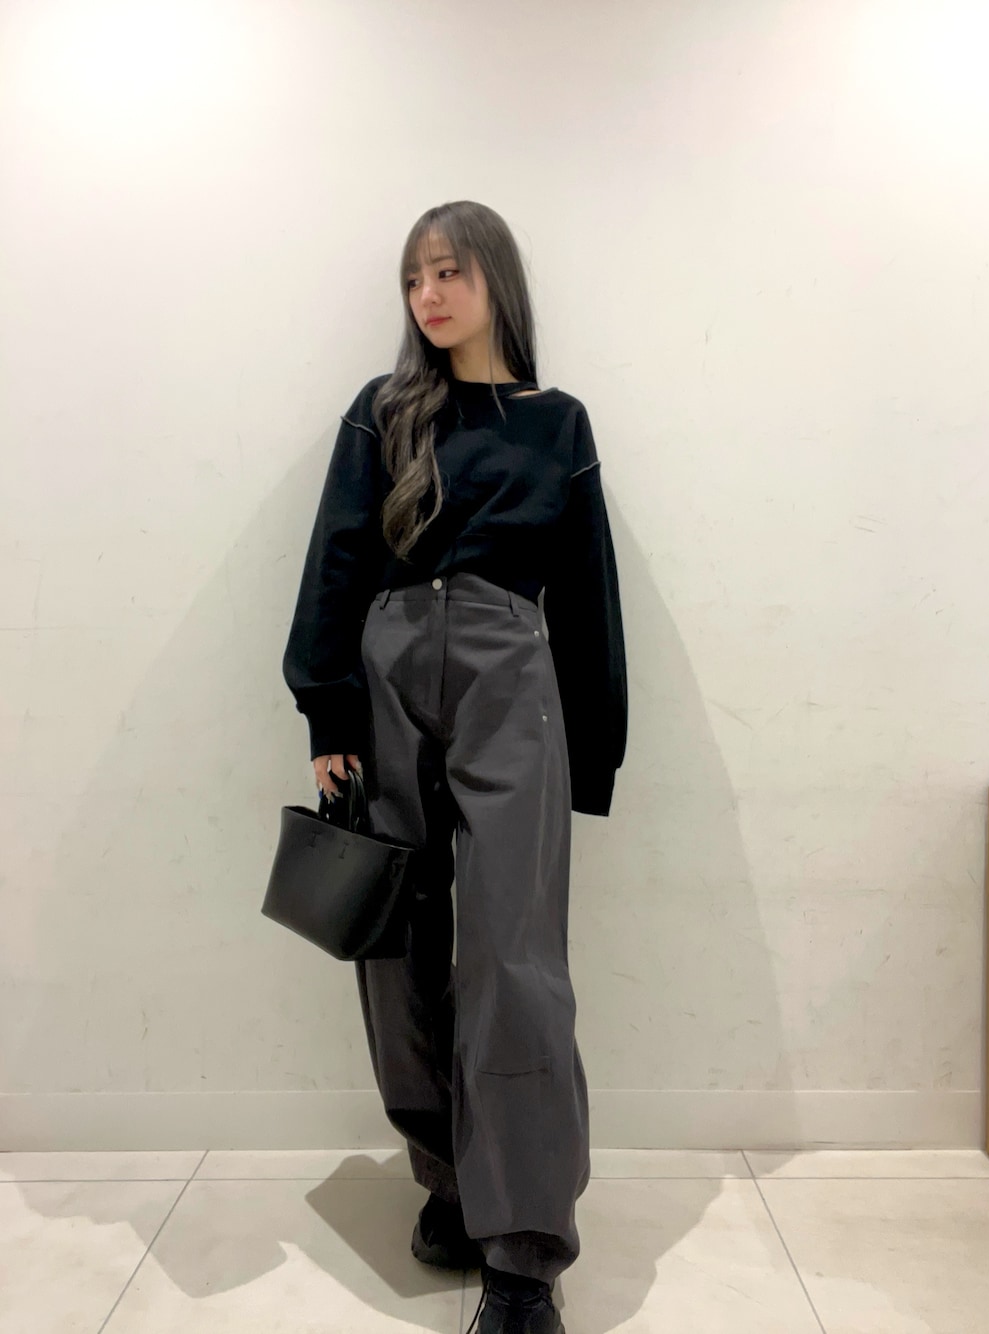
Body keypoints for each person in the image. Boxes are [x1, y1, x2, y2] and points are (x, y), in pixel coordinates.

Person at [282, 200, 627, 1334]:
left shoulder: (556, 423)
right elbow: (338, 554)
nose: (427, 296)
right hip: (385, 679)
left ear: (495, 282)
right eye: (413, 278)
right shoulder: (385, 412)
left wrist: (593, 752)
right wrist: (327, 706)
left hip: (508, 678)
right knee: (398, 946)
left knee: (512, 959)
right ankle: (449, 1181)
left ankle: (522, 1257)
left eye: (448, 273)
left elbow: (586, 591)